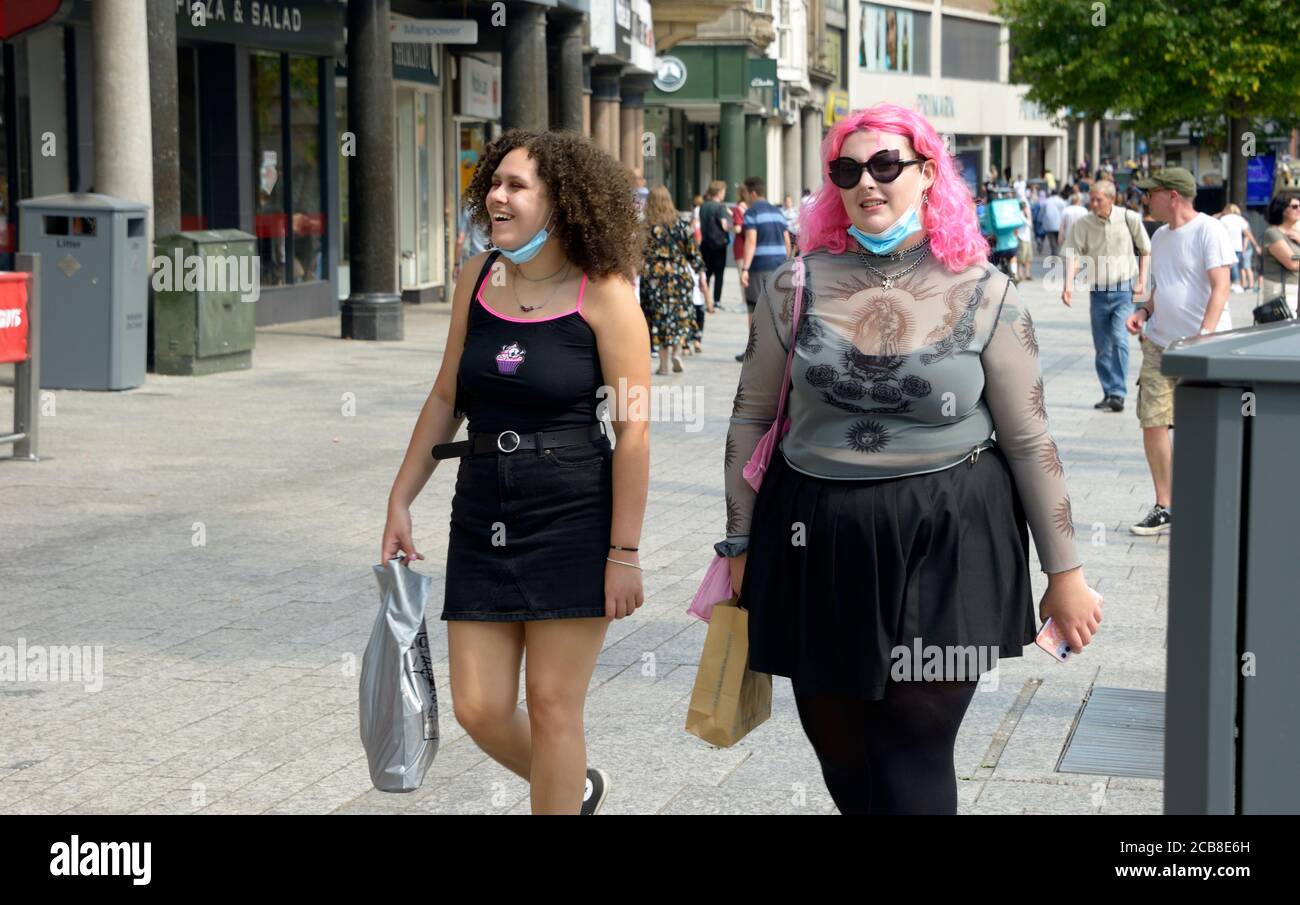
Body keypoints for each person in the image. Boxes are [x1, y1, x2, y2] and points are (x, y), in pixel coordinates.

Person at [720, 103, 1101, 815]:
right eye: (847, 169)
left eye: (887, 165)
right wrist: (739, 542)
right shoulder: (793, 285)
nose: (867, 182)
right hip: (813, 537)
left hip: (948, 537)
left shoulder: (986, 290)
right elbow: (747, 417)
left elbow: (1029, 438)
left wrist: (1065, 572)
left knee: (912, 739)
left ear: (928, 174)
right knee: (839, 744)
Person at [382, 129, 650, 815]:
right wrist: (401, 497)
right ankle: (574, 784)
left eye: (515, 185)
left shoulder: (606, 293)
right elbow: (448, 396)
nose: (496, 196)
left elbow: (633, 428)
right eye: (493, 183)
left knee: (554, 705)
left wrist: (624, 552)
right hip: (481, 511)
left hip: (574, 516)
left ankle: (561, 790)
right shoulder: (476, 277)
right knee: (479, 706)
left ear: (560, 201)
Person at [1124, 167, 1236, 536]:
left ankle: (1211, 500)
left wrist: (1205, 334)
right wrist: (1144, 310)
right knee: (1153, 420)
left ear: (1172, 195)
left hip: (1203, 347)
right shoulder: (1160, 238)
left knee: (1201, 426)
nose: (1145, 200)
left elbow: (1221, 286)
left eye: (1150, 193)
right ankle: (1165, 505)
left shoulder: (1209, 230)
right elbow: (1164, 287)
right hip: (1159, 345)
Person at [1061, 179, 1151, 413]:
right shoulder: (1084, 224)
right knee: (1102, 347)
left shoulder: (1129, 218)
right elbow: (1072, 255)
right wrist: (1068, 285)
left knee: (1120, 339)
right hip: (1098, 292)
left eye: (1098, 199)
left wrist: (1141, 280)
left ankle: (1118, 393)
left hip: (1124, 290)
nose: (1094, 203)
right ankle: (1109, 391)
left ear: (1112, 199)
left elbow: (1145, 249)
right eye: (1091, 199)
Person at [640, 186, 706, 375]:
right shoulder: (680, 224)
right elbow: (693, 252)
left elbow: (639, 252)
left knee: (659, 318)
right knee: (679, 315)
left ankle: (663, 365)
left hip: (655, 276)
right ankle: (677, 353)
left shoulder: (647, 226)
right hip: (678, 274)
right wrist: (700, 272)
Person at [737, 176, 791, 363]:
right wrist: (787, 262)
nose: (745, 198)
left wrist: (745, 268)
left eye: (745, 194)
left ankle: (754, 350)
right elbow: (786, 239)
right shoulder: (778, 212)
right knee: (775, 308)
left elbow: (751, 240)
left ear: (752, 193)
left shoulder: (752, 212)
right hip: (779, 266)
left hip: (759, 266)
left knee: (754, 307)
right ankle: (776, 349)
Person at [697, 181, 733, 315]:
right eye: (723, 192)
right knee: (719, 274)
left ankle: (703, 298)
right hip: (718, 246)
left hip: (705, 244)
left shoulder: (703, 206)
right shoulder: (721, 208)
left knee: (706, 273)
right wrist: (731, 221)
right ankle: (716, 301)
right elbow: (725, 226)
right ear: (719, 193)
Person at [1260, 194, 1300, 310]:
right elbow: (1292, 262)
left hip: (1294, 290)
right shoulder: (1273, 233)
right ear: (1282, 209)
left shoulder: (1295, 233)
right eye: (1294, 206)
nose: (1299, 209)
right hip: (1282, 291)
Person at [1215, 203, 1254, 293]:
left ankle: (1232, 283)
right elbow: (1247, 233)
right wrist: (1248, 246)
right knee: (1236, 266)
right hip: (1237, 246)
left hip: (1226, 245)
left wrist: (1221, 214)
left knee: (1227, 265)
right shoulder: (1240, 219)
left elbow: (1216, 227)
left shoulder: (1223, 219)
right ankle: (1237, 283)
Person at [454, 200, 491, 282]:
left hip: (475, 259)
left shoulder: (469, 209)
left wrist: (456, 265)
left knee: (473, 290)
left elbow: (460, 240)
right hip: (494, 259)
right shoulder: (493, 205)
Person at [1039, 187, 1067, 256]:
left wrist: (1039, 220)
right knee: (1058, 238)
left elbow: (1041, 212)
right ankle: (1056, 251)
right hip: (1059, 223)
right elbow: (1065, 212)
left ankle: (1054, 251)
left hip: (1049, 224)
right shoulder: (1062, 201)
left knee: (1052, 240)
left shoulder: (1046, 201)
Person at [1016, 197, 1035, 281]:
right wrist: (1028, 215)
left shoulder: (1024, 215)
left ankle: (1027, 273)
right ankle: (1019, 273)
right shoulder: (1020, 215)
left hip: (1027, 238)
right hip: (1022, 238)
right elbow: (1029, 224)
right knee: (1021, 257)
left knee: (1028, 257)